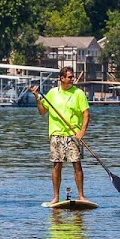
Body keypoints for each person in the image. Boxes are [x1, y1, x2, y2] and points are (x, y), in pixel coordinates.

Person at [29, 66, 90, 204]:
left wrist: (82, 132)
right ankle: (56, 197)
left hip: (73, 134)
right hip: (56, 134)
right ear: (62, 78)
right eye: (69, 77)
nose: (72, 79)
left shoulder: (78, 93)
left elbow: (86, 114)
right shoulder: (52, 93)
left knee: (77, 164)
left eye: (72, 77)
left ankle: (81, 196)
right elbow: (42, 112)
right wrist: (37, 98)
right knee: (57, 165)